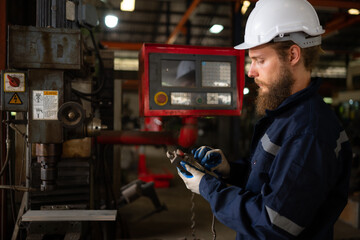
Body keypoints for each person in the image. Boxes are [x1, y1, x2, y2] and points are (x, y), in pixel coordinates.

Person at [172, 0, 353, 239]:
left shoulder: (309, 132)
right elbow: (272, 181)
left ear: (292, 55)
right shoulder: (288, 116)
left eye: (259, 60)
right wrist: (230, 170)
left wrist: (208, 187)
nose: (250, 71)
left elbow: (274, 224)